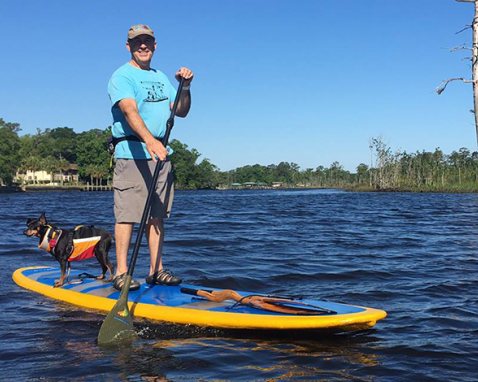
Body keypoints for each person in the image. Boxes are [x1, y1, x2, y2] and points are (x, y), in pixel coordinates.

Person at [107, 24, 193, 291]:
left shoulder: (161, 77)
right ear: (128, 46)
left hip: (160, 155)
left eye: (147, 41)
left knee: (156, 216)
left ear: (154, 45)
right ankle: (121, 273)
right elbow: (130, 112)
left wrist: (186, 87)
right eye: (136, 42)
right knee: (127, 215)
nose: (142, 45)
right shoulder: (121, 76)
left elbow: (180, 111)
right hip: (133, 154)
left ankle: (156, 269)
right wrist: (150, 140)